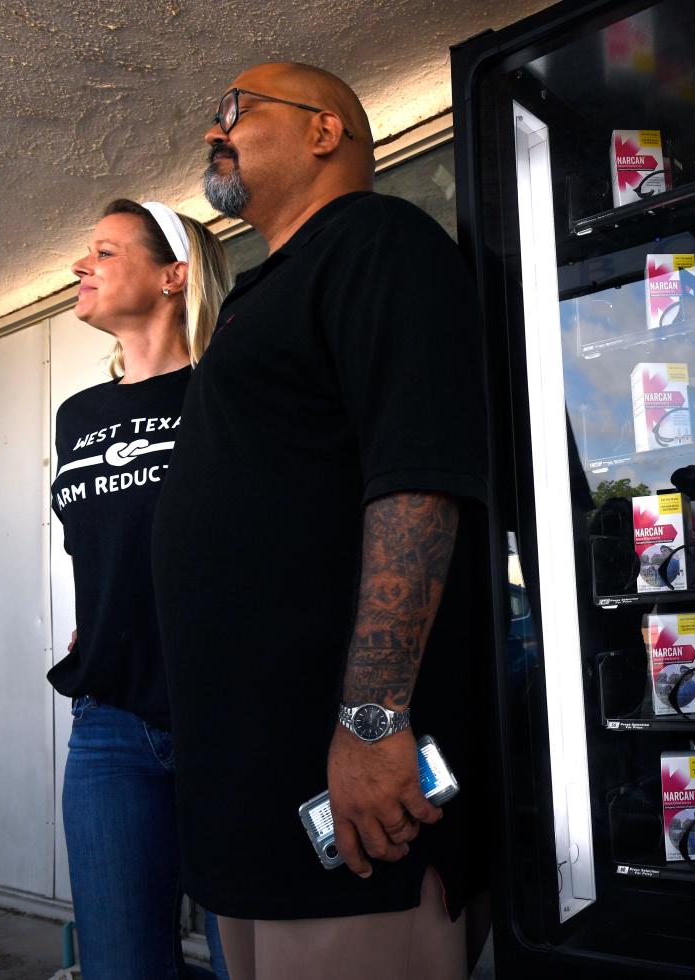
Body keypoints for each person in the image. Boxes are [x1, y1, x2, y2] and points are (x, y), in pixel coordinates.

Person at [151, 62, 491, 980]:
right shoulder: (265, 292)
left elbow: (418, 485)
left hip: (352, 823)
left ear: (323, 131)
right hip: (251, 810)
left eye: (237, 109)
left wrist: (375, 721)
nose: (214, 129)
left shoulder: (378, 242)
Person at [51, 199, 234, 978]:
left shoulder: (231, 391)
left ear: (173, 276)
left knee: (251, 963)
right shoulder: (77, 414)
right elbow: (98, 544)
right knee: (121, 967)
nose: (78, 267)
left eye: (105, 251)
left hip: (231, 718)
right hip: (109, 723)